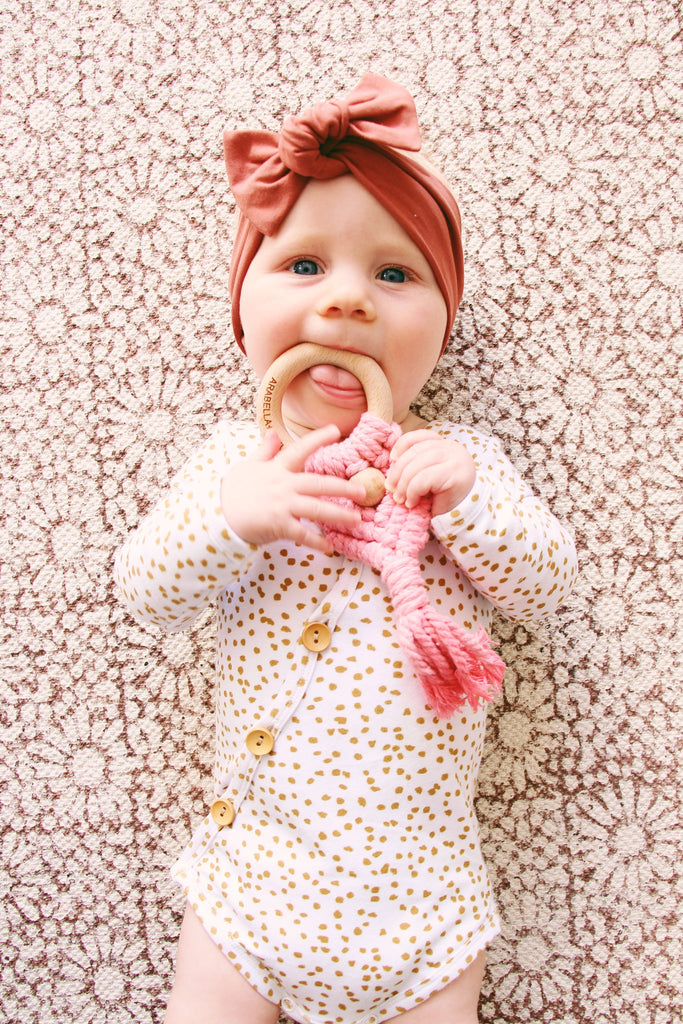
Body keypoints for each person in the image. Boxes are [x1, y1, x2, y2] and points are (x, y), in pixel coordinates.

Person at [114, 74, 577, 1024]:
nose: (349, 301)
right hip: (250, 887)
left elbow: (542, 586)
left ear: (442, 326)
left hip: (424, 905)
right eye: (303, 265)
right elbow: (145, 592)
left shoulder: (453, 461)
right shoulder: (238, 463)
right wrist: (233, 518)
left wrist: (468, 500)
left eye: (395, 275)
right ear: (243, 307)